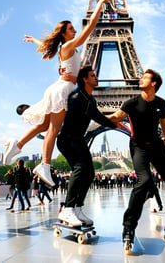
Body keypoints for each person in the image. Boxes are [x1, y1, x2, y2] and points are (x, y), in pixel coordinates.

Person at [3, 0, 110, 186]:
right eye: (71, 28)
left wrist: (35, 41)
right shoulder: (68, 46)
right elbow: (89, 30)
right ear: (64, 34)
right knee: (54, 128)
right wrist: (100, 3)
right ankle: (44, 164)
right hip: (63, 90)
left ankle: (17, 145)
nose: (75, 30)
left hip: (63, 88)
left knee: (44, 126)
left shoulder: (68, 48)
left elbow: (46, 47)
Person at [108, 69, 165, 245]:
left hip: (157, 145)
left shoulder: (162, 104)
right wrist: (92, 114)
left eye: (145, 77)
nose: (141, 79)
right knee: (144, 180)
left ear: (154, 83)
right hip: (139, 146)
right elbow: (116, 117)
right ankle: (129, 225)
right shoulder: (131, 103)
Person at [57, 65, 119, 227]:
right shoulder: (77, 97)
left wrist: (115, 125)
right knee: (80, 168)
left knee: (90, 172)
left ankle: (77, 208)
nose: (96, 77)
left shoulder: (90, 99)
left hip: (78, 140)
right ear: (84, 79)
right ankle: (68, 208)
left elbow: (98, 116)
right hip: (68, 140)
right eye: (93, 76)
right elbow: (95, 116)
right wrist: (113, 123)